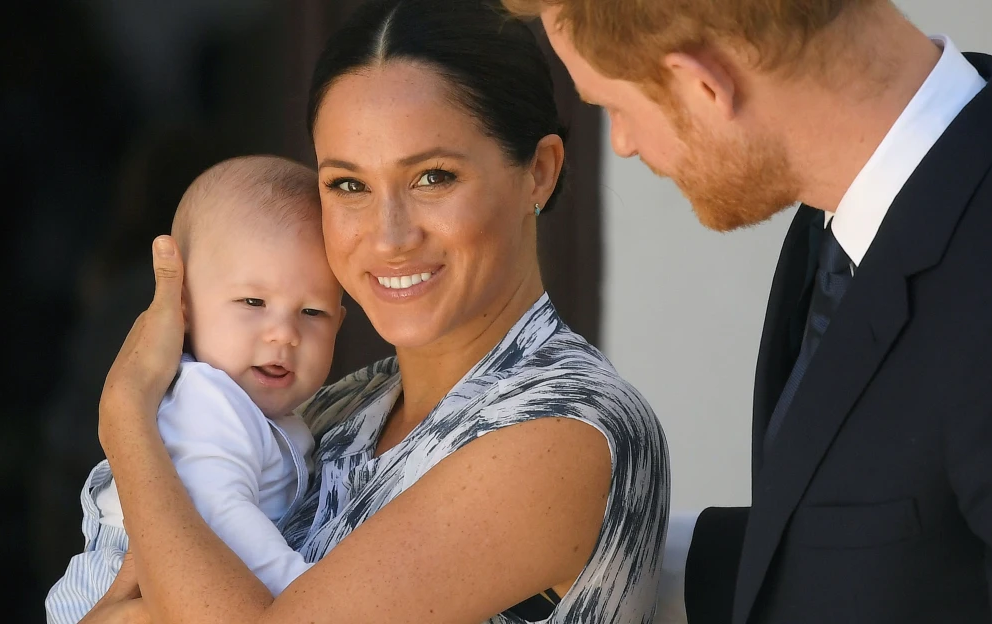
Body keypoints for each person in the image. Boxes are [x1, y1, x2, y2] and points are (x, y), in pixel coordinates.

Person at [80, 1, 670, 622]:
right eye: (349, 185)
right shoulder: (339, 410)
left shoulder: (566, 429)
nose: (388, 237)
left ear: (539, 174)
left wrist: (126, 418)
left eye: (432, 177)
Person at [503, 0, 992, 622]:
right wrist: (595, 548)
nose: (622, 145)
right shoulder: (841, 221)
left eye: (611, 107)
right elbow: (895, 548)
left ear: (705, 86)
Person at [45, 155, 345, 623]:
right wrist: (302, 595)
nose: (283, 334)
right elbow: (222, 518)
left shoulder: (267, 411)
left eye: (312, 313)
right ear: (182, 307)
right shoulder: (207, 401)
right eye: (253, 302)